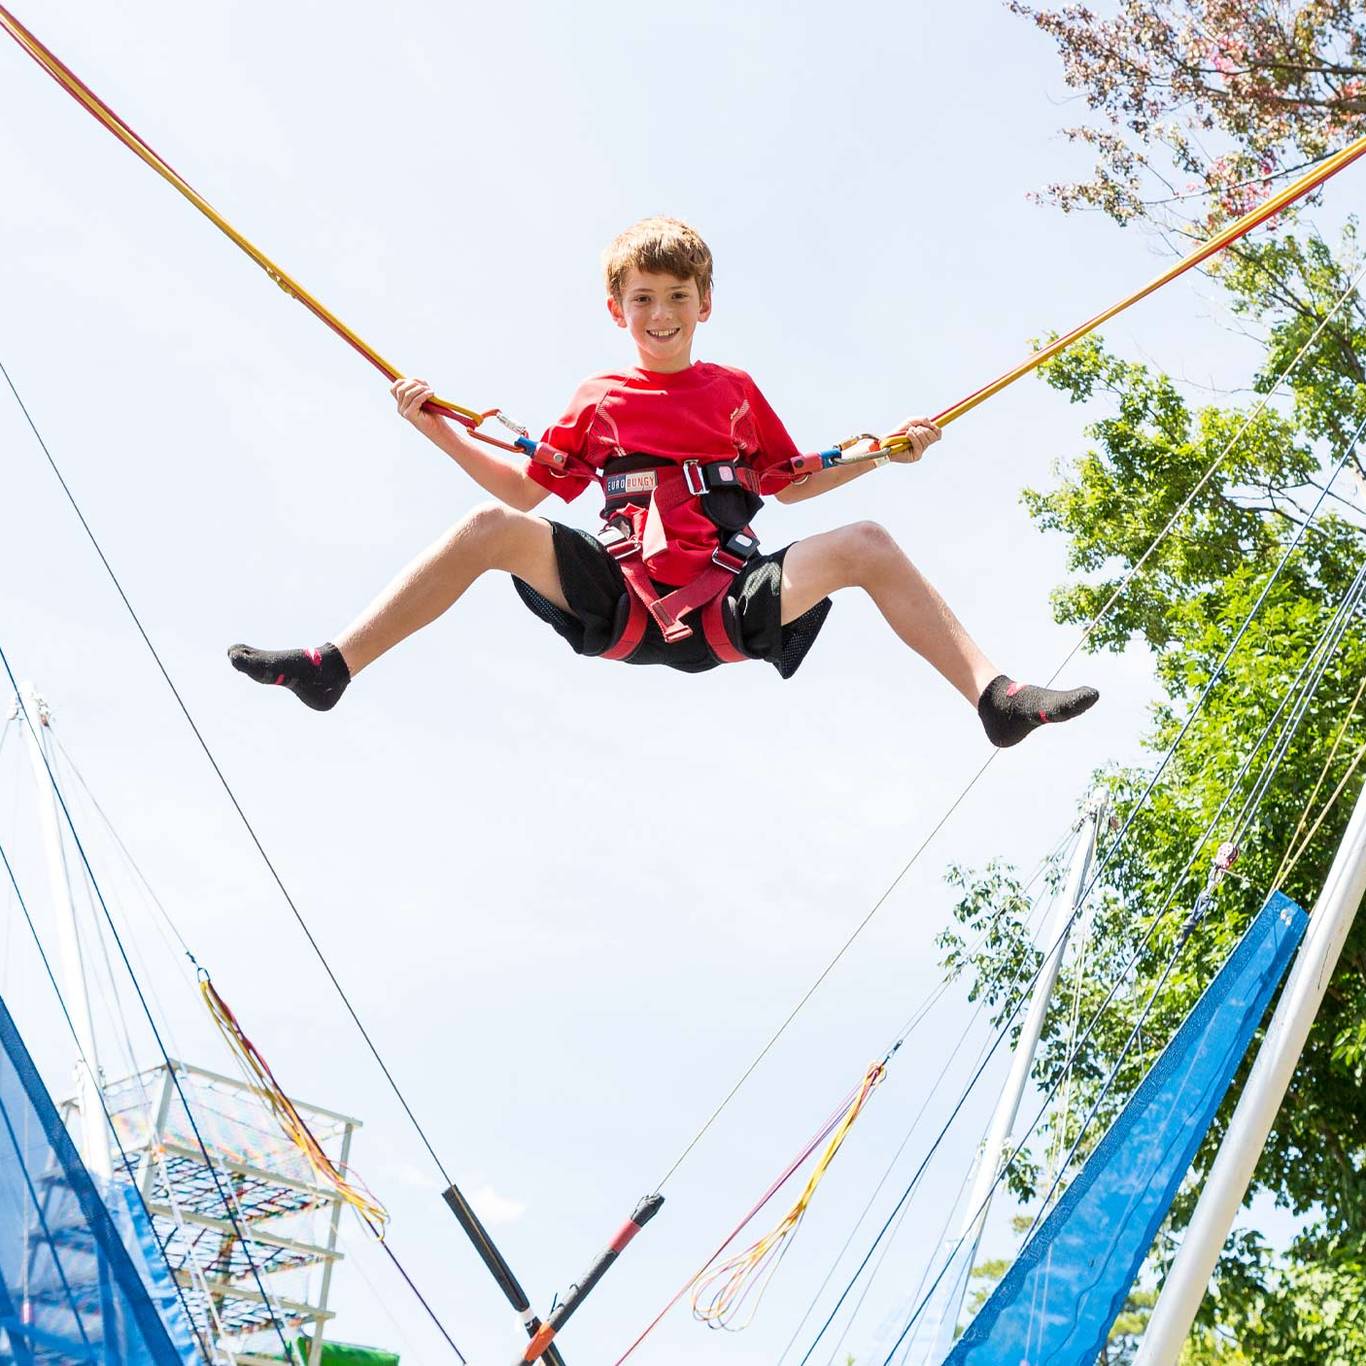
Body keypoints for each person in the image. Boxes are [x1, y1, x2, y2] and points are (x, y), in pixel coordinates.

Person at [230, 217, 1096, 747]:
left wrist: (881, 453)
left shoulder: (733, 394)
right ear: (618, 309)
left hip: (725, 600)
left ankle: (994, 697)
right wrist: (432, 425)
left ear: (703, 303)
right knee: (487, 526)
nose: (660, 315)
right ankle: (334, 664)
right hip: (622, 598)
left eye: (676, 296)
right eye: (642, 299)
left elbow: (788, 484)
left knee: (866, 543)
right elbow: (529, 492)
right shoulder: (599, 399)